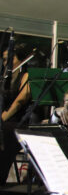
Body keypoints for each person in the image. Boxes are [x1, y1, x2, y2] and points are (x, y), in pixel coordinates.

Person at [0, 43, 32, 185]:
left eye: (10, 58)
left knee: (5, 132)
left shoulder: (25, 76)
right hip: (4, 122)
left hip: (18, 123)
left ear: (20, 59)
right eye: (5, 59)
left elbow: (19, 102)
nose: (7, 62)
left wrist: (2, 119)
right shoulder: (4, 79)